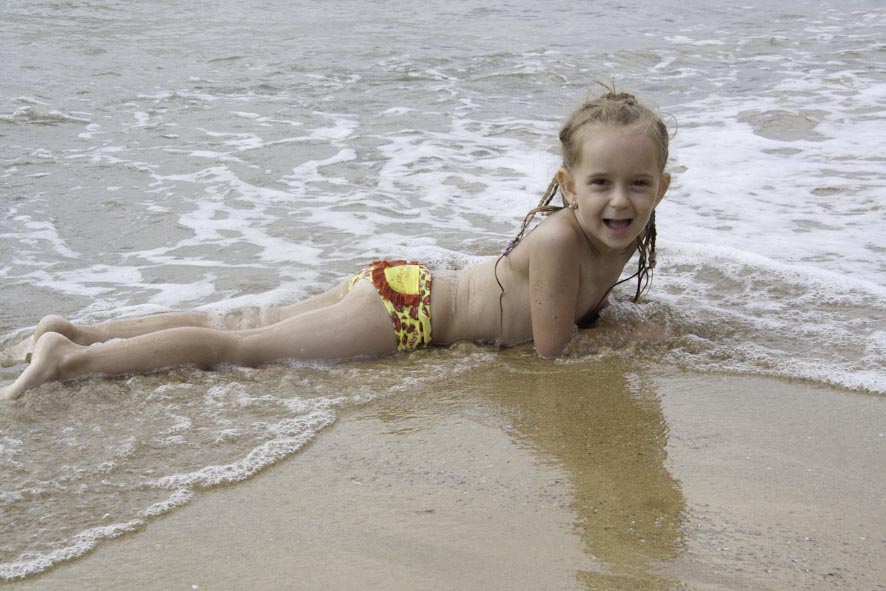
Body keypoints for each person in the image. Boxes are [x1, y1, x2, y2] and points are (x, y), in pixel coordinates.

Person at [1, 89, 671, 400]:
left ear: (661, 187)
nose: (620, 200)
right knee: (240, 347)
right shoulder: (559, 240)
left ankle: (81, 330)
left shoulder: (613, 236)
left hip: (405, 288)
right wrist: (645, 334)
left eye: (638, 184)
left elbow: (565, 314)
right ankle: (71, 361)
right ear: (568, 186)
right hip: (406, 315)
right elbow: (554, 351)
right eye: (601, 183)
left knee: (249, 323)